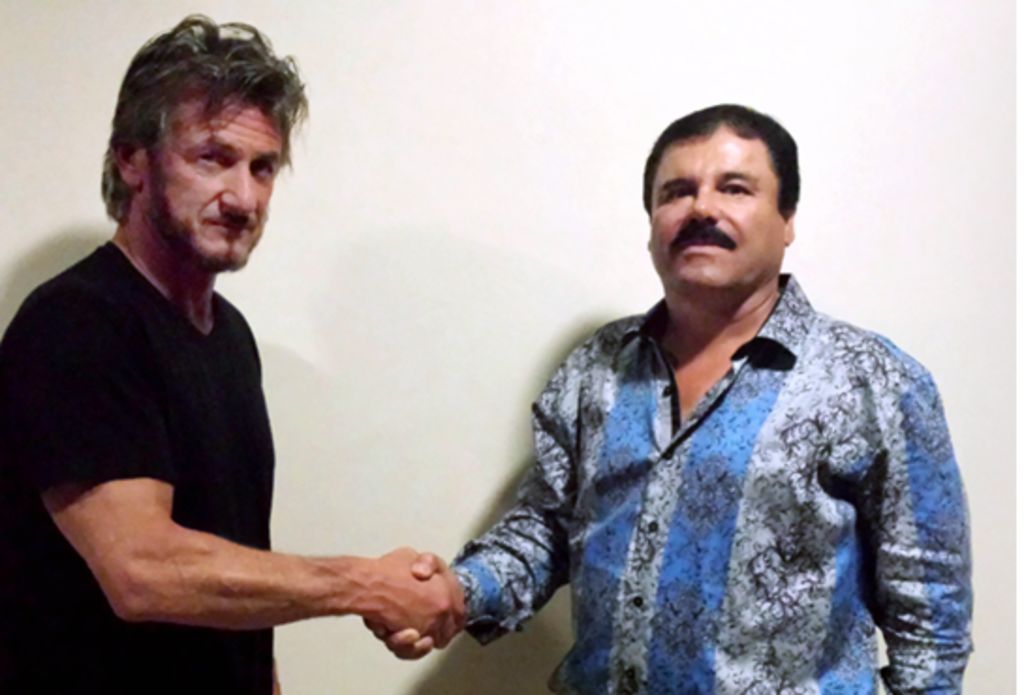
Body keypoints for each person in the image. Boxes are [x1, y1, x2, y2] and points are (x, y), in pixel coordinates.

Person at [373, 104, 972, 694]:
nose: (702, 208)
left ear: (787, 219)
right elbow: (547, 530)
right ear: (653, 223)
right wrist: (456, 593)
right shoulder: (595, 368)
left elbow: (931, 618)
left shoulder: (872, 381)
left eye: (734, 188)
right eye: (677, 192)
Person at [0, 15, 461, 694]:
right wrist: (366, 584)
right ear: (132, 160)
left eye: (262, 167)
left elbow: (229, 566)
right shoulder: (77, 323)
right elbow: (142, 571)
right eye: (212, 158)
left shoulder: (230, 337)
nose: (244, 197)